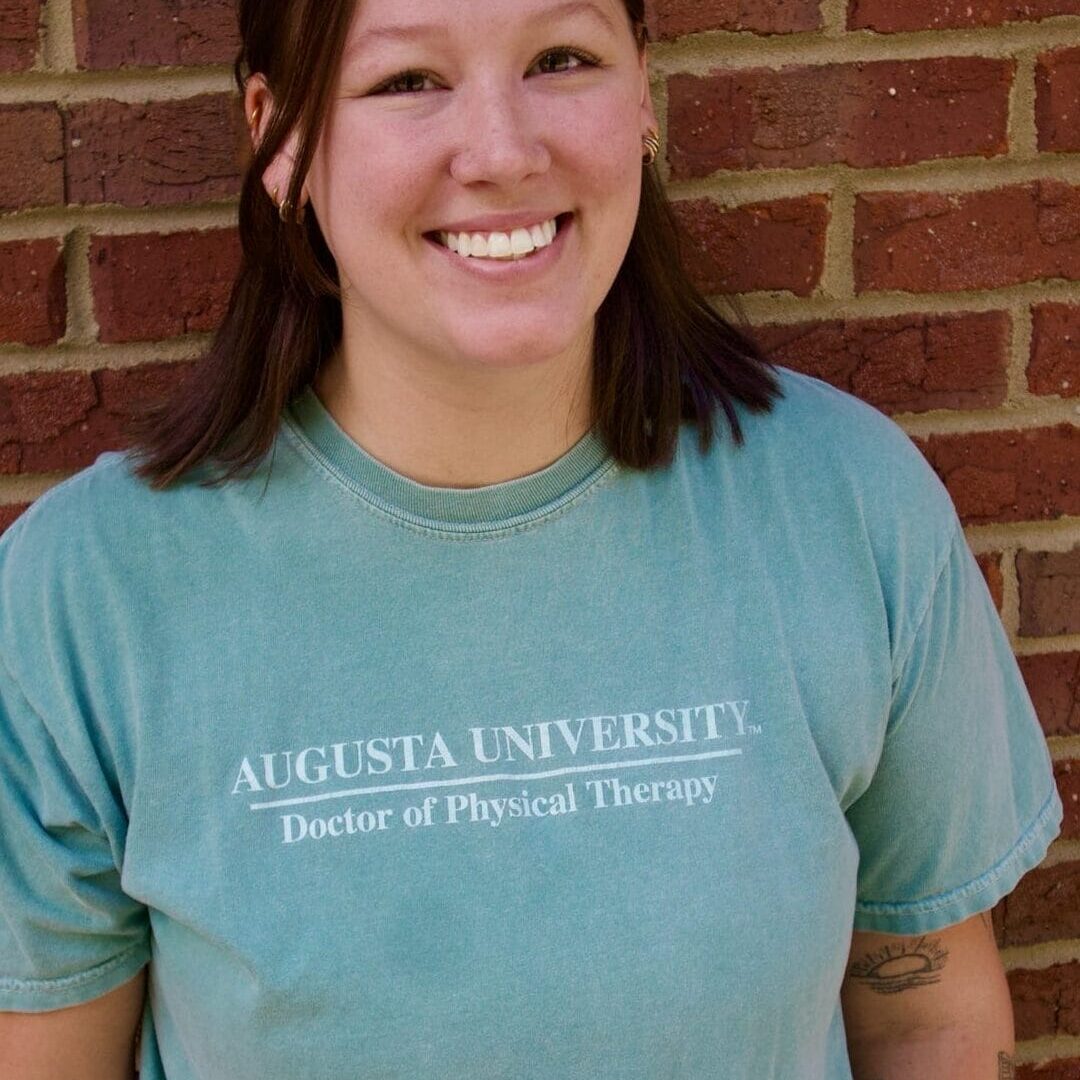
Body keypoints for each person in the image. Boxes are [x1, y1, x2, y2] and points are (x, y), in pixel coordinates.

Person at [0, 0, 1062, 1076]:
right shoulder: (90, 595)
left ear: (642, 92)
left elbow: (928, 1016)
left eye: (561, 59)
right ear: (281, 140)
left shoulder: (846, 505)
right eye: (408, 80)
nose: (504, 152)